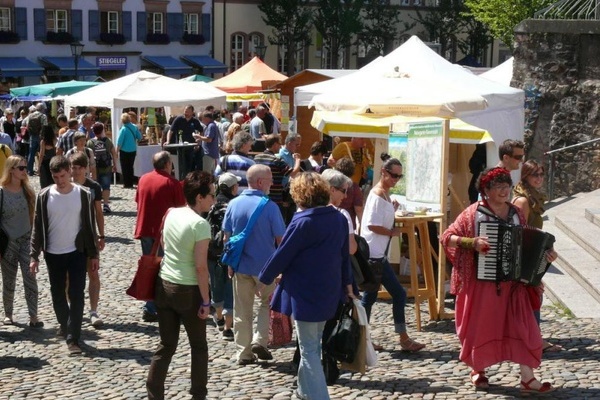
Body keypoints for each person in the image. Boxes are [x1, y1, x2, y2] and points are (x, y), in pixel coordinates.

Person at [441, 167, 557, 393]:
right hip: (481, 284)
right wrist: (471, 243)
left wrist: (544, 259)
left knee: (524, 327)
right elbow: (447, 237)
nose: (505, 191)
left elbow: (525, 245)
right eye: (499, 187)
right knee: (481, 328)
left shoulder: (516, 213)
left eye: (507, 186)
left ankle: (528, 378)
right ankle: (478, 370)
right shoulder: (472, 213)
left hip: (513, 285)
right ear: (486, 189)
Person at [258, 172, 354, 400]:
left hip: (305, 294)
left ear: (299, 195)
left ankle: (320, 396)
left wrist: (264, 278)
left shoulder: (302, 221)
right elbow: (344, 257)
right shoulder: (339, 218)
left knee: (309, 348)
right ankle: (304, 390)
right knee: (312, 343)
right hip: (330, 290)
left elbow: (283, 254)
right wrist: (348, 285)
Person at [146, 171, 214, 400]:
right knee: (199, 346)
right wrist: (206, 301)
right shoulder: (200, 225)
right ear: (199, 197)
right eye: (211, 195)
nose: (214, 200)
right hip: (188, 290)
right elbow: (200, 267)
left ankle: (154, 394)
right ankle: (198, 395)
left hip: (164, 284)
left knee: (166, 345)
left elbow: (164, 243)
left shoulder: (171, 213)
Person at [29, 155, 99, 355]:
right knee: (58, 294)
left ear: (69, 171)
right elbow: (37, 229)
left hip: (77, 251)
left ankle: (73, 338)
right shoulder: (44, 196)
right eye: (55, 177)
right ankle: (66, 324)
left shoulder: (84, 194)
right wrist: (34, 256)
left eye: (62, 176)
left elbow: (89, 226)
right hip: (53, 252)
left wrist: (93, 254)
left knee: (77, 295)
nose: (59, 181)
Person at [222, 164, 286, 365]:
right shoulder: (270, 207)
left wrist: (230, 263)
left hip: (241, 266)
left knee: (242, 310)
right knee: (266, 305)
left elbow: (227, 237)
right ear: (260, 182)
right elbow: (280, 240)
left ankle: (243, 352)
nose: (272, 183)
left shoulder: (233, 204)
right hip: (265, 269)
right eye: (269, 180)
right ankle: (260, 340)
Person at [360, 153, 425, 351]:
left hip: (378, 254)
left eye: (399, 176)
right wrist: (391, 232)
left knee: (370, 298)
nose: (396, 179)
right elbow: (371, 224)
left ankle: (363, 338)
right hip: (374, 255)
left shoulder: (384, 194)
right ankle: (401, 338)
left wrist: (392, 209)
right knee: (397, 294)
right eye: (393, 175)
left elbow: (378, 218)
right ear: (383, 172)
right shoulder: (379, 194)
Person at [512, 160, 562, 353]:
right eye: (535, 175)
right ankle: (534, 340)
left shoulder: (533, 197)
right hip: (524, 258)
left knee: (533, 297)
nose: (539, 178)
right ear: (525, 176)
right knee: (532, 296)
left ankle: (532, 337)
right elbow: (521, 232)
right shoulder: (523, 200)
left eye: (541, 174)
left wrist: (546, 249)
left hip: (533, 255)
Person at [134, 151, 186, 322]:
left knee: (151, 268)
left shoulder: (143, 179)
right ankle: (158, 306)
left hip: (145, 229)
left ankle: (152, 305)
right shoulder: (172, 183)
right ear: (167, 164)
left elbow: (138, 201)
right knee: (164, 269)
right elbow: (181, 209)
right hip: (162, 232)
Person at [0, 155, 43, 328]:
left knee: (30, 279)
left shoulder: (29, 191)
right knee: (8, 280)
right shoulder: (1, 192)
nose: (25, 171)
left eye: (25, 167)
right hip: (7, 242)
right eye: (21, 168)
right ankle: (8, 314)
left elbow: (35, 217)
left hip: (26, 240)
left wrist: (36, 243)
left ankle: (34, 316)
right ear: (11, 170)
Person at [69, 152, 106, 328]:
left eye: (78, 168)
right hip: (69, 237)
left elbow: (98, 212)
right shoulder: (65, 186)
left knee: (93, 273)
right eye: (72, 168)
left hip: (89, 237)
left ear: (85, 169)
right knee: (68, 276)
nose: (75, 172)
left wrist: (101, 235)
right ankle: (71, 308)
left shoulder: (94, 187)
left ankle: (93, 310)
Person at [205, 172, 239, 341]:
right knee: (229, 289)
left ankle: (219, 318)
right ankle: (227, 327)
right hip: (229, 253)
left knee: (216, 285)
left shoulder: (211, 205)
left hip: (211, 253)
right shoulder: (234, 206)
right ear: (232, 188)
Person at [253, 134, 300, 221]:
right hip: (275, 199)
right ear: (275, 145)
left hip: (258, 197)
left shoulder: (257, 158)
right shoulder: (277, 160)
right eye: (279, 144)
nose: (280, 146)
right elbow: (292, 173)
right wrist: (297, 160)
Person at [87, 122, 118, 213]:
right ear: (102, 130)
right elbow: (114, 153)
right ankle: (105, 204)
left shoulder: (90, 142)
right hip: (106, 167)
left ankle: (95, 205)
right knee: (106, 186)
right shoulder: (107, 141)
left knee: (94, 186)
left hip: (94, 169)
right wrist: (115, 165)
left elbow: (88, 156)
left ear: (94, 131)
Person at [165, 105, 203, 175]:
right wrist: (168, 141)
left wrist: (199, 141)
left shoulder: (195, 121)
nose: (186, 113)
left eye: (188, 112)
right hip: (180, 147)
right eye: (185, 111)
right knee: (181, 166)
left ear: (192, 112)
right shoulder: (179, 119)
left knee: (189, 166)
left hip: (191, 147)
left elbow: (201, 130)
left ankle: (186, 181)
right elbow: (171, 131)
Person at [335, 157, 364, 232]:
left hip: (332, 223)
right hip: (348, 226)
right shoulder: (354, 187)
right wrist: (362, 226)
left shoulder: (332, 185)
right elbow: (359, 210)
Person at [117, 112, 142, 189]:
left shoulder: (123, 129)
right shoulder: (134, 127)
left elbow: (119, 141)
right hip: (133, 150)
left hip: (124, 150)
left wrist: (117, 151)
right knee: (130, 167)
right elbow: (140, 137)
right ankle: (130, 183)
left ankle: (126, 183)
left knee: (125, 167)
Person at [22, 103, 48, 176]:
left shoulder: (30, 115)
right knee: (41, 153)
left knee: (31, 153)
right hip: (41, 137)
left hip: (32, 136)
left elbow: (27, 125)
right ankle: (40, 169)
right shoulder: (43, 116)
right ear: (42, 109)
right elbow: (45, 127)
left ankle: (29, 170)